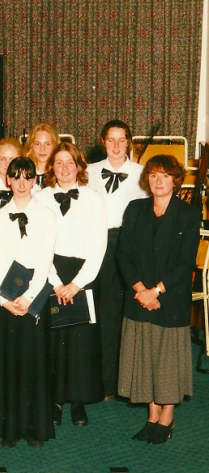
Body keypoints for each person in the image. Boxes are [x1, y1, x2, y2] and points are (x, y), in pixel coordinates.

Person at [117, 155, 199, 445]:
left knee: (166, 360)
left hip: (170, 300)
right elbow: (123, 254)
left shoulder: (188, 214)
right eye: (153, 175)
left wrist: (156, 291)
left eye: (165, 176)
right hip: (139, 298)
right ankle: (152, 414)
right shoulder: (135, 209)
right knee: (145, 358)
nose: (158, 181)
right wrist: (141, 290)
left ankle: (167, 416)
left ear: (176, 180)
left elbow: (185, 263)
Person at [0, 157, 57, 448]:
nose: (23, 183)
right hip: (5, 297)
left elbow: (44, 260)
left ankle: (34, 428)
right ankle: (9, 429)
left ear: (35, 180)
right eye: (17, 177)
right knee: (7, 363)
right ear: (8, 181)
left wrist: (28, 297)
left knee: (35, 363)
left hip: (34, 294)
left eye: (28, 177)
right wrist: (4, 300)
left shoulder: (48, 216)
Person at [34, 142, 108, 427]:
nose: (64, 168)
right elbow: (39, 243)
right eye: (59, 162)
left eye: (70, 162)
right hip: (50, 272)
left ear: (79, 165)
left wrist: (76, 284)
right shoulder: (40, 198)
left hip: (84, 275)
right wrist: (54, 281)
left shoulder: (93, 198)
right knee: (53, 340)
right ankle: (54, 400)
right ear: (51, 167)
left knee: (81, 342)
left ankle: (79, 400)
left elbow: (99, 245)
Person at [87, 120, 146, 398]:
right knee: (101, 312)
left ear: (129, 142)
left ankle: (126, 383)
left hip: (130, 245)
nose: (116, 146)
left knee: (125, 313)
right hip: (98, 244)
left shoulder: (142, 173)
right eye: (111, 140)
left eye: (121, 140)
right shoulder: (88, 172)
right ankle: (102, 381)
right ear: (103, 141)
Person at [24, 122, 61, 189]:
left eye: (47, 144)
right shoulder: (23, 172)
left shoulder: (61, 173)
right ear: (31, 146)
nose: (42, 149)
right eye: (37, 144)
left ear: (55, 146)